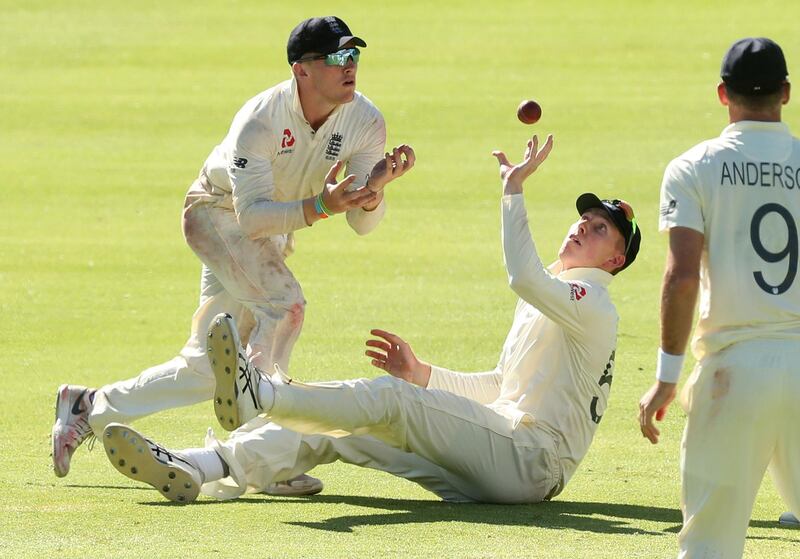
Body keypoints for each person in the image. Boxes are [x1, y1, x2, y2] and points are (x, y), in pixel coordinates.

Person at [98, 134, 642, 504]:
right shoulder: (556, 296)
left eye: (600, 231)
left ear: (614, 261)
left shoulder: (589, 301)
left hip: (530, 461)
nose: (582, 227)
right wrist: (424, 374)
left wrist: (513, 191)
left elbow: (521, 276)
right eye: (584, 219)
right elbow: (503, 387)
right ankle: (202, 468)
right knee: (346, 429)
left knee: (386, 401)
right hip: (503, 455)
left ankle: (259, 395)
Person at [51, 15, 415, 497]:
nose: (349, 67)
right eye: (335, 58)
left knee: (205, 369)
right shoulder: (261, 119)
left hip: (271, 232)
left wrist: (373, 194)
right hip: (216, 213)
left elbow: (363, 223)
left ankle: (89, 405)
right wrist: (324, 204)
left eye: (353, 56)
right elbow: (252, 219)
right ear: (301, 69)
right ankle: (266, 454)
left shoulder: (365, 119)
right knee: (286, 306)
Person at [638, 37, 799, 558]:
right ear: (786, 93)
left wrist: (666, 378)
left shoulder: (693, 167)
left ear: (722, 94)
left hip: (734, 372)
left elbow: (682, 277)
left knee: (710, 547)